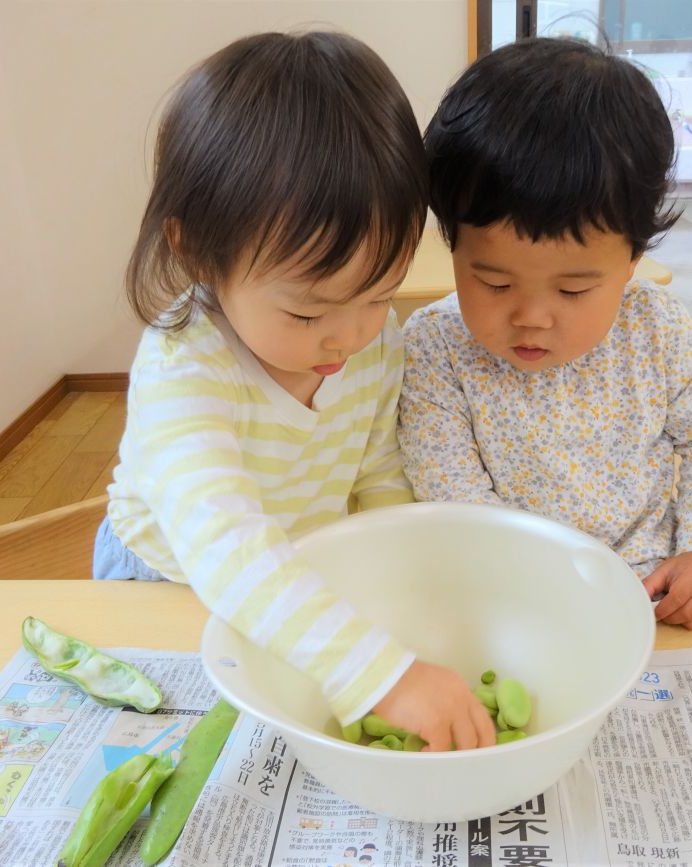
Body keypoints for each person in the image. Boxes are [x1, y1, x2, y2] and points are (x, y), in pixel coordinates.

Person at [94, 32, 494, 750]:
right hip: (168, 580)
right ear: (199, 251)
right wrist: (381, 675)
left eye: (379, 293)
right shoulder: (183, 364)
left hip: (292, 574)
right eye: (308, 312)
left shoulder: (375, 343)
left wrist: (407, 611)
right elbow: (225, 545)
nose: (348, 336)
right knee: (195, 745)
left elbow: (379, 478)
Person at [399, 38, 692, 630]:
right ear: (453, 243)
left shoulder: (657, 328)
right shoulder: (435, 348)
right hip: (515, 598)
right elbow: (456, 498)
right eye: (493, 281)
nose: (532, 317)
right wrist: (558, 589)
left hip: (653, 594)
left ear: (633, 257)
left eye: (573, 291)